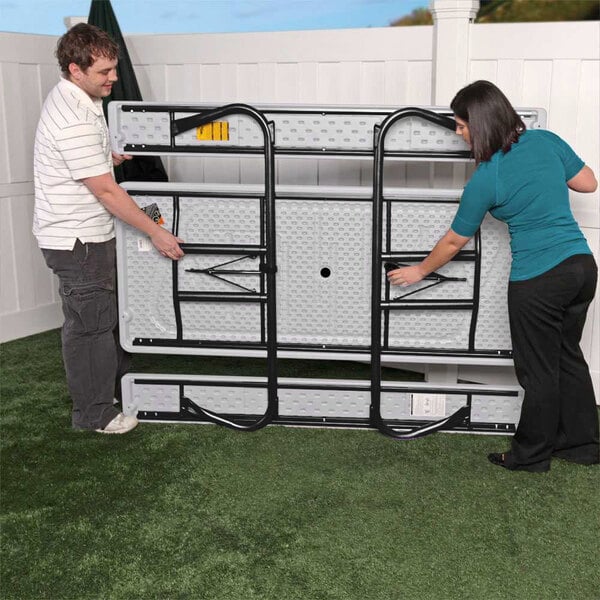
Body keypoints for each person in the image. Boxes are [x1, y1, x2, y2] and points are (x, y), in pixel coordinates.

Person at [388, 80, 598, 472]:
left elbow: (453, 242)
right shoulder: (547, 141)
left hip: (539, 279)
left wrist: (418, 270)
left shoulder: (487, 177)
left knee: (538, 371)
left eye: (463, 125)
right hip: (581, 268)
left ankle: (531, 456)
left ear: (482, 123)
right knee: (567, 357)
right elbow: (588, 183)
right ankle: (583, 447)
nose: (459, 132)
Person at [33, 23, 184, 434]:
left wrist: (105, 157)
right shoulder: (73, 117)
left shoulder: (83, 100)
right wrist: (156, 231)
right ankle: (94, 415)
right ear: (74, 69)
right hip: (77, 238)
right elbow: (107, 193)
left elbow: (90, 172)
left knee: (103, 319)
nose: (114, 78)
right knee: (90, 326)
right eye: (104, 72)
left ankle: (112, 390)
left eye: (114, 68)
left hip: (88, 232)